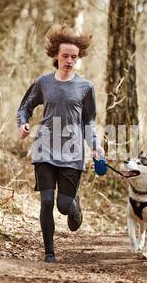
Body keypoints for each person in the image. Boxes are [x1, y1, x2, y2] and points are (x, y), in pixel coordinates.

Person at [16, 24, 103, 263]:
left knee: (63, 206)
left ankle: (73, 203)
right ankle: (49, 252)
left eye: (74, 57)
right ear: (56, 55)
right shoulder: (44, 83)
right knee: (46, 201)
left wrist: (95, 146)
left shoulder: (86, 87)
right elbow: (25, 107)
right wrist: (23, 123)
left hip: (72, 152)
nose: (69, 61)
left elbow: (89, 120)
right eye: (65, 56)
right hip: (45, 148)